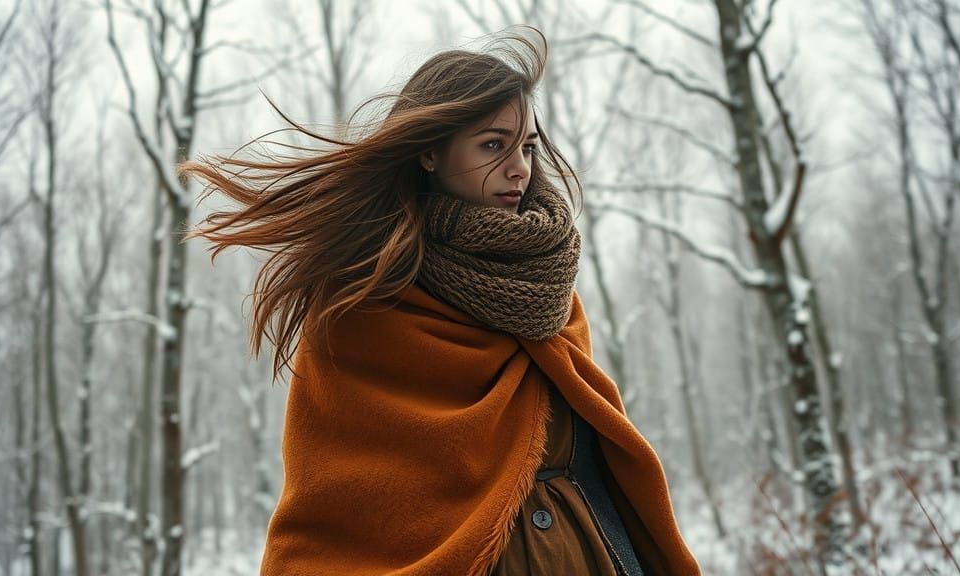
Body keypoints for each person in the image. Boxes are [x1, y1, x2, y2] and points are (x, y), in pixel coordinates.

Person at [180, 25, 700, 576]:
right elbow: (334, 510)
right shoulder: (364, 305)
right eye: (493, 145)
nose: (520, 167)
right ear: (430, 152)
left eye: (526, 147)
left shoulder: (545, 286)